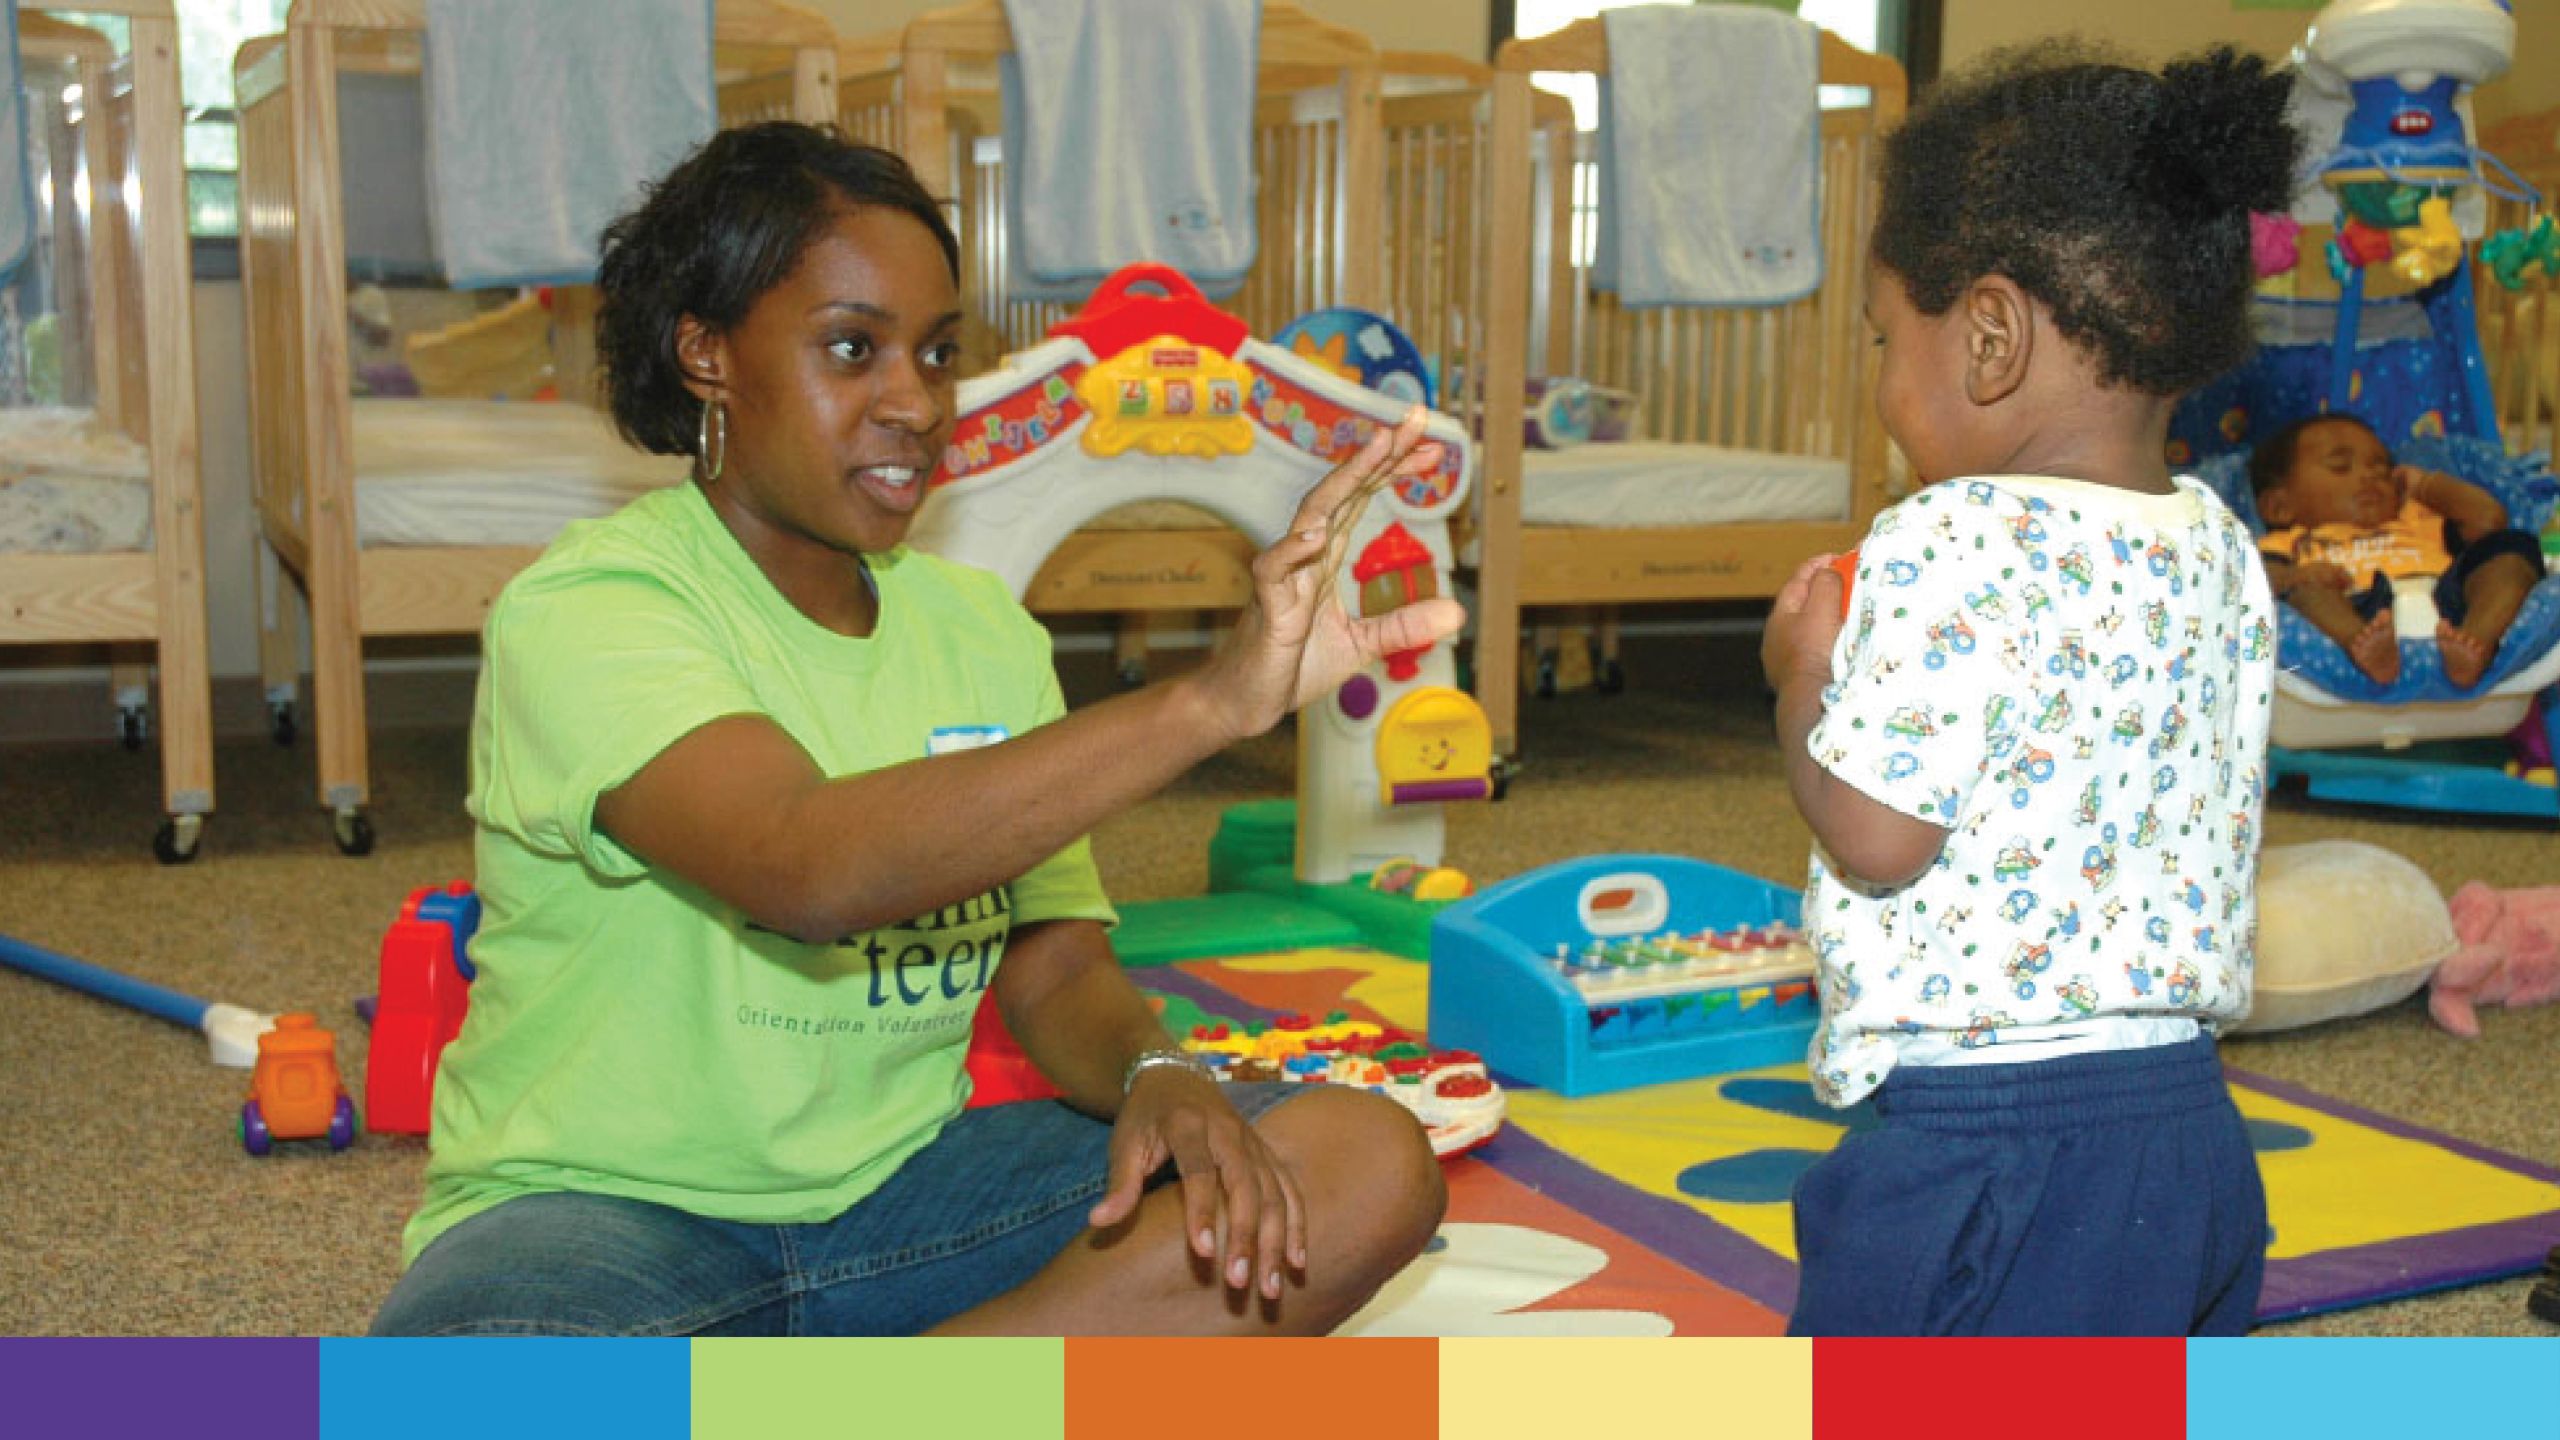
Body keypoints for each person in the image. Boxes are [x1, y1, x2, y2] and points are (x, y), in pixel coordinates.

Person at [371, 124, 1454, 1337]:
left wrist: (1159, 1073)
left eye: (937, 356)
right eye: (852, 349)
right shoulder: (592, 606)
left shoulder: (979, 628)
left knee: (1360, 1162)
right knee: (468, 1380)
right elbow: (805, 866)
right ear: (706, 355)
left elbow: (1050, 958)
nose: (915, 404)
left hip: (910, 1203)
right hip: (600, 1219)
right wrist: (1211, 700)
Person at [1756, 44, 2296, 1335]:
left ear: (1988, 336)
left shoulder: (1944, 539)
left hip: (1987, 1149)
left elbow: (1882, 837)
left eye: (1892, 341)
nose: (1887, 386)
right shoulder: (2220, 542)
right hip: (2192, 1135)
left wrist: (1800, 684)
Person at [2248, 412, 2545, 689]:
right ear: (2279, 507)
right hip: (2356, 611)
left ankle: (2478, 643)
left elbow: (2489, 520)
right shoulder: (2291, 542)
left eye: (2381, 469)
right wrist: (2296, 575)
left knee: (2512, 549)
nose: (2369, 476)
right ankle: (2362, 648)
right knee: (2306, 593)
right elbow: (2251, 577)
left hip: (2450, 611)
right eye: (2341, 467)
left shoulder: (2420, 519)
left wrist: (2425, 485)